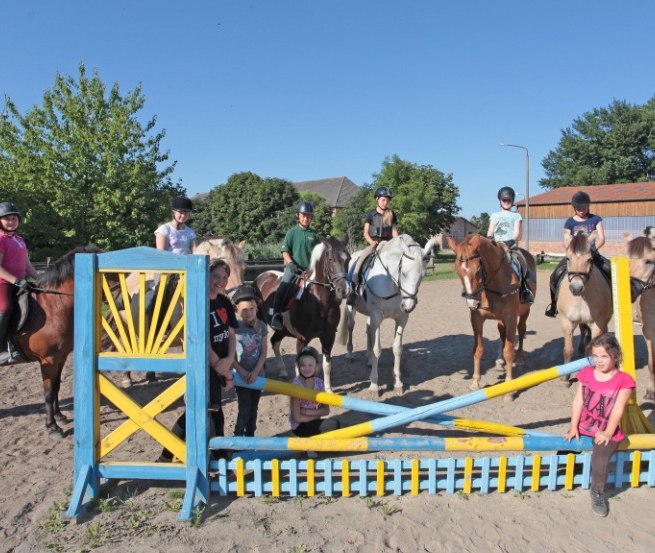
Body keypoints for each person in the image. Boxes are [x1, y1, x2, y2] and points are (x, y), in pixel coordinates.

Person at [159, 258, 236, 462]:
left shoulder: (225, 302)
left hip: (221, 364)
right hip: (204, 365)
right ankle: (220, 459)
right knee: (209, 413)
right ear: (207, 276)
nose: (220, 281)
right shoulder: (200, 302)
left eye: (224, 277)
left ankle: (166, 455)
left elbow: (231, 334)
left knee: (201, 412)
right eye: (216, 276)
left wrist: (229, 359)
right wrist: (223, 369)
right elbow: (203, 341)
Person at [564, 333, 634, 517]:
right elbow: (578, 400)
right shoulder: (587, 373)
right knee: (566, 447)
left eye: (604, 356)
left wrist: (608, 433)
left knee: (600, 459)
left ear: (616, 356)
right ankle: (566, 474)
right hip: (584, 424)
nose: (599, 361)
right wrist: (573, 427)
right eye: (595, 356)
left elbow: (618, 409)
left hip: (607, 428)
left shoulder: (624, 380)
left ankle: (597, 491)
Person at [545, 190, 607, 317]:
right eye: (579, 208)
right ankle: (554, 305)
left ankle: (612, 302)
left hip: (591, 254)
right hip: (574, 255)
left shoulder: (595, 219)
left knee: (610, 270)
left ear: (588, 206)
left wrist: (592, 249)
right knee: (555, 276)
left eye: (584, 207)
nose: (582, 210)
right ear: (574, 208)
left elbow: (601, 238)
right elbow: (566, 239)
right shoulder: (570, 222)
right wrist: (571, 252)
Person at [269, 201, 319, 331]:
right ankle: (276, 315)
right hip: (294, 269)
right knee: (283, 286)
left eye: (308, 216)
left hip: (310, 270)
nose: (306, 218)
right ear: (298, 216)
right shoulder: (292, 232)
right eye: (303, 215)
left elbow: (318, 253)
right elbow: (285, 251)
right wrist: (291, 264)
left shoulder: (314, 235)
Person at [0, 202, 40, 364]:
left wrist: (40, 279)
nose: (11, 221)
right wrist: (16, 280)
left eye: (14, 218)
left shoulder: (19, 239)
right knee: (5, 307)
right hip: (3, 282)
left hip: (19, 282)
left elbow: (27, 264)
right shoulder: (1, 239)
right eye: (7, 219)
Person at [346, 186, 399, 306]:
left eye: (387, 200)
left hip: (388, 245)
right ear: (377, 199)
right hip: (374, 244)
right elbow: (365, 232)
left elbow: (394, 232)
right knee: (360, 260)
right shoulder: (371, 215)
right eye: (383, 200)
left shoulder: (392, 214)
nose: (385, 203)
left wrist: (398, 244)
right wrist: (371, 242)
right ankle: (353, 288)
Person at [486, 186, 534, 304]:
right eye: (504, 200)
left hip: (510, 247)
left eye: (509, 200)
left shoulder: (516, 216)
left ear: (512, 201)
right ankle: (478, 291)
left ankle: (525, 289)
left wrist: (511, 240)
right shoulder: (495, 215)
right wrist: (489, 238)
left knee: (521, 263)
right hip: (496, 246)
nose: (507, 202)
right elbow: (491, 230)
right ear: (500, 201)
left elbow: (517, 232)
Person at [231, 285, 268, 437]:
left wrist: (255, 372)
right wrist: (242, 372)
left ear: (256, 309)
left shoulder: (262, 327)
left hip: (257, 375)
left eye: (251, 308)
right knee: (244, 409)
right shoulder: (235, 328)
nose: (248, 312)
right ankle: (238, 437)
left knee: (254, 409)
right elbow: (231, 355)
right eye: (244, 309)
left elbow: (264, 352)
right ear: (237, 311)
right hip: (241, 377)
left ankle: (250, 437)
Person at [289, 346, 340, 453]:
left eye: (310, 365)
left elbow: (326, 410)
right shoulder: (296, 385)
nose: (307, 368)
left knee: (336, 423)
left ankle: (311, 444)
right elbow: (297, 418)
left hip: (313, 420)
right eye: (303, 365)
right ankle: (310, 444)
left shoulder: (319, 383)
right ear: (298, 366)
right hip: (300, 426)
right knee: (331, 428)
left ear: (316, 366)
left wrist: (308, 412)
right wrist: (316, 415)